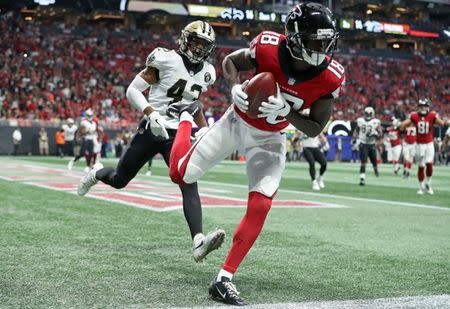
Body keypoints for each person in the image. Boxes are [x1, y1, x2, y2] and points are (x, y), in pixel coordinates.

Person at [168, 3, 345, 305]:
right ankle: (186, 119)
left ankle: (224, 278)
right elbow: (230, 62)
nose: (322, 48)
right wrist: (234, 86)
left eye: (326, 41)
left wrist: (288, 112)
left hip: (270, 139)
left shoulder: (330, 77)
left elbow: (315, 128)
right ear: (295, 37)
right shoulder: (268, 46)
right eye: (315, 41)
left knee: (262, 203)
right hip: (235, 122)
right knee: (181, 174)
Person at [77, 21, 225, 263]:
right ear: (185, 39)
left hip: (178, 133)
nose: (198, 49)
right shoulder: (165, 59)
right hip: (152, 129)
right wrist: (150, 112)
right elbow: (133, 90)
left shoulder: (207, 71)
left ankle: (198, 241)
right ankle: (97, 173)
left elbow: (193, 104)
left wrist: (205, 128)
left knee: (188, 181)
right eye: (195, 42)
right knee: (119, 180)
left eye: (204, 45)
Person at [400, 98, 448, 194]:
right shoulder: (414, 116)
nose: (422, 108)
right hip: (418, 144)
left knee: (429, 164)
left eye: (424, 106)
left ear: (428, 107)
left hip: (429, 144)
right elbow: (403, 125)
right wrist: (402, 126)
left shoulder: (432, 115)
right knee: (421, 166)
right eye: (421, 106)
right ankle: (421, 187)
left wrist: (446, 122)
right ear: (418, 107)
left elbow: (442, 124)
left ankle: (428, 184)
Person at [353, 106, 381, 186]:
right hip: (363, 143)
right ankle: (362, 178)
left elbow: (380, 134)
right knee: (363, 162)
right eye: (367, 113)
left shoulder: (376, 122)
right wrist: (354, 137)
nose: (368, 115)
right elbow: (356, 130)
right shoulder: (360, 121)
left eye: (370, 113)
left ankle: (375, 170)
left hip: (371, 144)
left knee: (374, 161)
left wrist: (374, 134)